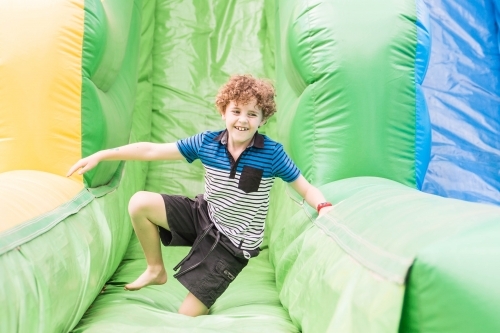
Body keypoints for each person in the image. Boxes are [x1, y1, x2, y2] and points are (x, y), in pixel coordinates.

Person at [66, 74, 333, 317]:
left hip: (232, 243)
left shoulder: (272, 153)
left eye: (252, 114)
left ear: (263, 119)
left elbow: (305, 187)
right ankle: (155, 269)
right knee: (140, 203)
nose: (242, 120)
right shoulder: (206, 142)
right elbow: (152, 151)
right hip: (204, 215)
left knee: (187, 316)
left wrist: (323, 206)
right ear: (223, 112)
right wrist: (102, 155)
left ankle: (203, 299)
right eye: (236, 111)